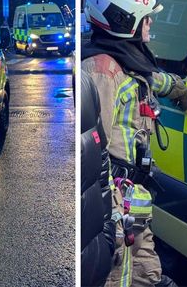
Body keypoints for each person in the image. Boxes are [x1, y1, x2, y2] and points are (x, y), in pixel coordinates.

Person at [82, 0, 187, 287]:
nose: (151, 24)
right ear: (125, 20)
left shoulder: (127, 59)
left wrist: (180, 89)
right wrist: (110, 209)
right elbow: (92, 148)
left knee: (144, 270)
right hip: (116, 197)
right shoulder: (102, 70)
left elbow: (150, 79)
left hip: (133, 193)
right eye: (146, 18)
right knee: (118, 272)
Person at [81, 73, 116, 287]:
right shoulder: (93, 79)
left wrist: (106, 238)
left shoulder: (87, 85)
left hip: (95, 260)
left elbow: (102, 161)